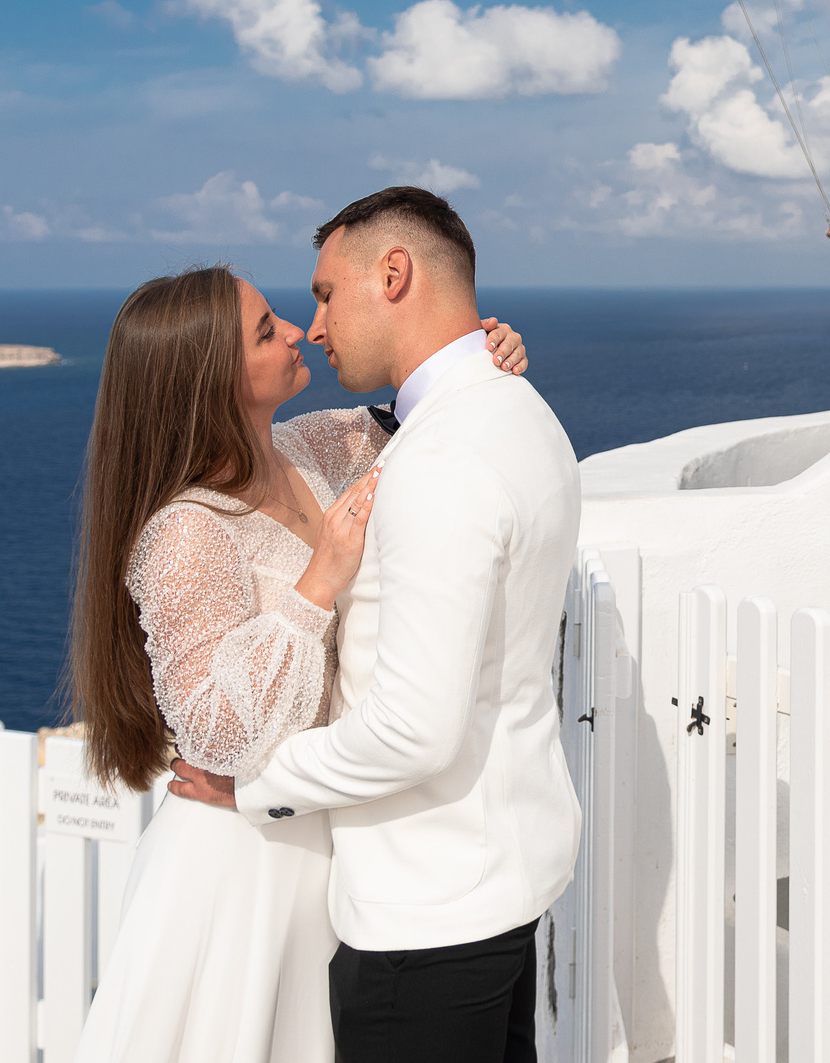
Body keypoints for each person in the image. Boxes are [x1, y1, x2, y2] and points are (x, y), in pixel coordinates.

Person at [63, 264, 528, 1063]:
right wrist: (319, 583)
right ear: (211, 378)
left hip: (317, 837)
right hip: (238, 866)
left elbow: (422, 419)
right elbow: (215, 731)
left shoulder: (305, 447)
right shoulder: (186, 530)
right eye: (265, 327)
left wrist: (483, 353)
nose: (296, 331)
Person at [169, 187, 583, 1063]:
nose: (312, 327)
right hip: (497, 885)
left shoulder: (438, 460)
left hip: (423, 911)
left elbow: (411, 730)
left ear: (393, 273)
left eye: (322, 294)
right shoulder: (518, 412)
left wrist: (247, 785)